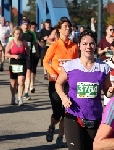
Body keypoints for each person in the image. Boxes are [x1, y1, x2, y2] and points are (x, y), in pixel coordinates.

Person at [55, 29, 113, 150]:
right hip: (73, 115)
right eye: (85, 43)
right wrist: (64, 98)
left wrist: (111, 91)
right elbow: (58, 84)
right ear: (79, 46)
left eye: (91, 43)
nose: (88, 46)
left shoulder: (104, 68)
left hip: (94, 116)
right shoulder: (70, 66)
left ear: (95, 45)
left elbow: (107, 91)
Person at [43, 17, 78, 148]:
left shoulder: (74, 46)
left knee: (66, 112)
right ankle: (52, 126)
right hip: (55, 82)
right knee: (57, 113)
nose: (68, 29)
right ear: (59, 29)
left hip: (69, 84)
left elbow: (76, 64)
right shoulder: (54, 45)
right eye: (65, 27)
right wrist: (51, 72)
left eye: (69, 27)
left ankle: (60, 137)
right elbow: (45, 61)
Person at [5, 26, 29, 106]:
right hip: (13, 63)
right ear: (13, 34)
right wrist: (13, 56)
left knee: (21, 81)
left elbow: (28, 49)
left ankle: (20, 98)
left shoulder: (24, 42)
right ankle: (13, 97)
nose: (18, 35)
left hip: (22, 63)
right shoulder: (11, 43)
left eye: (19, 33)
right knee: (13, 82)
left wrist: (27, 56)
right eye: (16, 33)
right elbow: (6, 54)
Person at [20, 19, 37, 100]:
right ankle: (19, 86)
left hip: (28, 57)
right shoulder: (19, 34)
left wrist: (37, 52)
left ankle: (26, 93)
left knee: (28, 74)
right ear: (21, 25)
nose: (26, 26)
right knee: (20, 77)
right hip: (19, 58)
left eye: (27, 24)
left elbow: (34, 44)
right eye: (24, 24)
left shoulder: (32, 34)